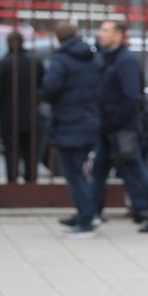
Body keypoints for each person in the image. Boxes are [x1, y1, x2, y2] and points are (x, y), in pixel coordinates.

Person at [91, 20, 148, 232]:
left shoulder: (125, 61)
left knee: (137, 170)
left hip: (122, 128)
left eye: (105, 31)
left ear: (119, 35)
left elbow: (131, 97)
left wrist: (114, 120)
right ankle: (90, 213)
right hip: (107, 128)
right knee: (98, 170)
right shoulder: (107, 58)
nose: (100, 34)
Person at [38, 21, 101, 238]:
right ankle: (88, 214)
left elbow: (50, 88)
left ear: (58, 38)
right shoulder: (92, 57)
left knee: (74, 174)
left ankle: (85, 222)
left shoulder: (61, 59)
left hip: (68, 124)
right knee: (81, 173)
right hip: (90, 121)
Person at [0, 31, 44, 184]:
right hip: (32, 116)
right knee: (31, 153)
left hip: (9, 117)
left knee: (11, 153)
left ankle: (12, 184)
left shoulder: (3, 64)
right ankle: (31, 183)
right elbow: (43, 87)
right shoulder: (35, 62)